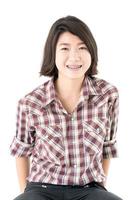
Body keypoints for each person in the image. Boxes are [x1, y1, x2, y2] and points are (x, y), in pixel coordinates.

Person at [10, 15, 123, 200]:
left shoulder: (108, 95)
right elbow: (21, 152)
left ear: (91, 52)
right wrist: (27, 193)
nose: (74, 56)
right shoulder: (30, 102)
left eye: (82, 48)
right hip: (42, 187)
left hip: (89, 187)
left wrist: (100, 189)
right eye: (64, 48)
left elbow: (107, 147)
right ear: (52, 53)